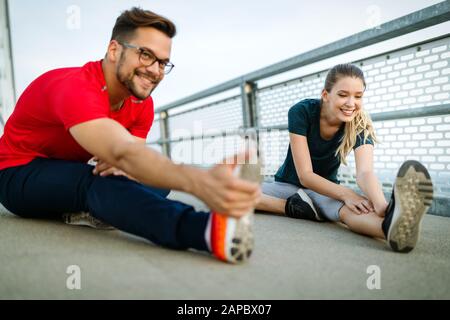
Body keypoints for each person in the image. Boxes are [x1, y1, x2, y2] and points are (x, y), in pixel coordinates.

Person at [0, 7, 261, 264]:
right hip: (17, 172)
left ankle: (90, 208)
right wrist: (200, 181)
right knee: (98, 185)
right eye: (146, 55)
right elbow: (122, 152)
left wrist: (127, 168)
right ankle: (203, 230)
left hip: (69, 169)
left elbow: (127, 162)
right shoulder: (76, 87)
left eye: (162, 62)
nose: (156, 71)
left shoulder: (141, 102)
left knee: (157, 182)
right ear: (114, 50)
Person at [256, 64, 434, 253]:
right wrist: (347, 193)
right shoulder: (301, 111)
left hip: (325, 190)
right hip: (286, 186)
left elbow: (365, 173)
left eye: (358, 96)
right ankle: (292, 208)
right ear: (325, 95)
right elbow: (305, 175)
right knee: (238, 192)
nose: (351, 103)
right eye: (343, 95)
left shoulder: (360, 124)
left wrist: (381, 205)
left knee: (351, 210)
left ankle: (389, 228)